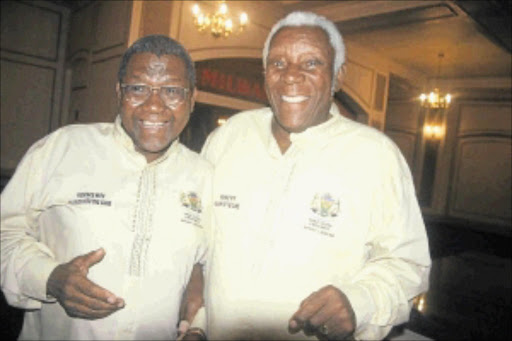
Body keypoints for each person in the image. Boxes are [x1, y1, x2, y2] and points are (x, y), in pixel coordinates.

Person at [184, 11, 431, 341]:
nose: (291, 76)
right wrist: (198, 320)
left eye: (311, 63)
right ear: (265, 72)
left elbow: (406, 265)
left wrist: (359, 302)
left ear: (338, 77)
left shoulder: (376, 155)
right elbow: (197, 240)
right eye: (278, 63)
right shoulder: (227, 137)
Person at [1, 34, 211, 340]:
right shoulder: (63, 148)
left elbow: (211, 266)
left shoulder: (204, 175)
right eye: (138, 88)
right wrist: (49, 277)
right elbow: (5, 229)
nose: (154, 105)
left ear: (192, 99)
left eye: (172, 91)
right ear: (119, 92)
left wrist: (197, 325)